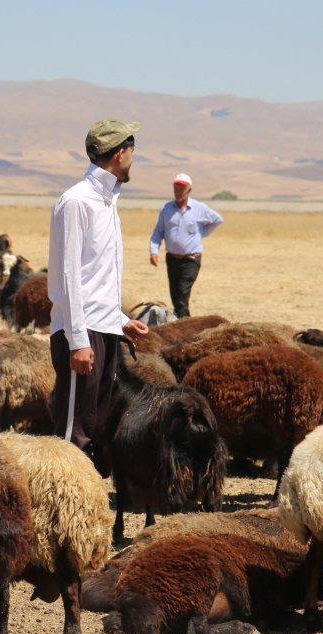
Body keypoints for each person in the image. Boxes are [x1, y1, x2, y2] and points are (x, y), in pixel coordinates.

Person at [49, 119, 150, 451]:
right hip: (83, 332)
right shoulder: (77, 201)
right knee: (73, 434)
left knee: (94, 427)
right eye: (133, 152)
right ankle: (59, 502)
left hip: (104, 328)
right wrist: (77, 340)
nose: (134, 159)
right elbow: (68, 276)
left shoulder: (108, 202)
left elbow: (96, 276)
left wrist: (120, 321)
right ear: (120, 154)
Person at [149, 173, 223, 318]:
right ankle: (186, 323)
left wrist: (202, 232)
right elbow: (158, 231)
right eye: (176, 189)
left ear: (189, 190)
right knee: (176, 296)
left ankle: (180, 325)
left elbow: (217, 219)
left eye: (181, 189)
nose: (178, 192)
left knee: (182, 293)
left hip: (191, 259)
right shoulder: (167, 209)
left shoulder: (199, 208)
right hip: (172, 258)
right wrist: (154, 250)